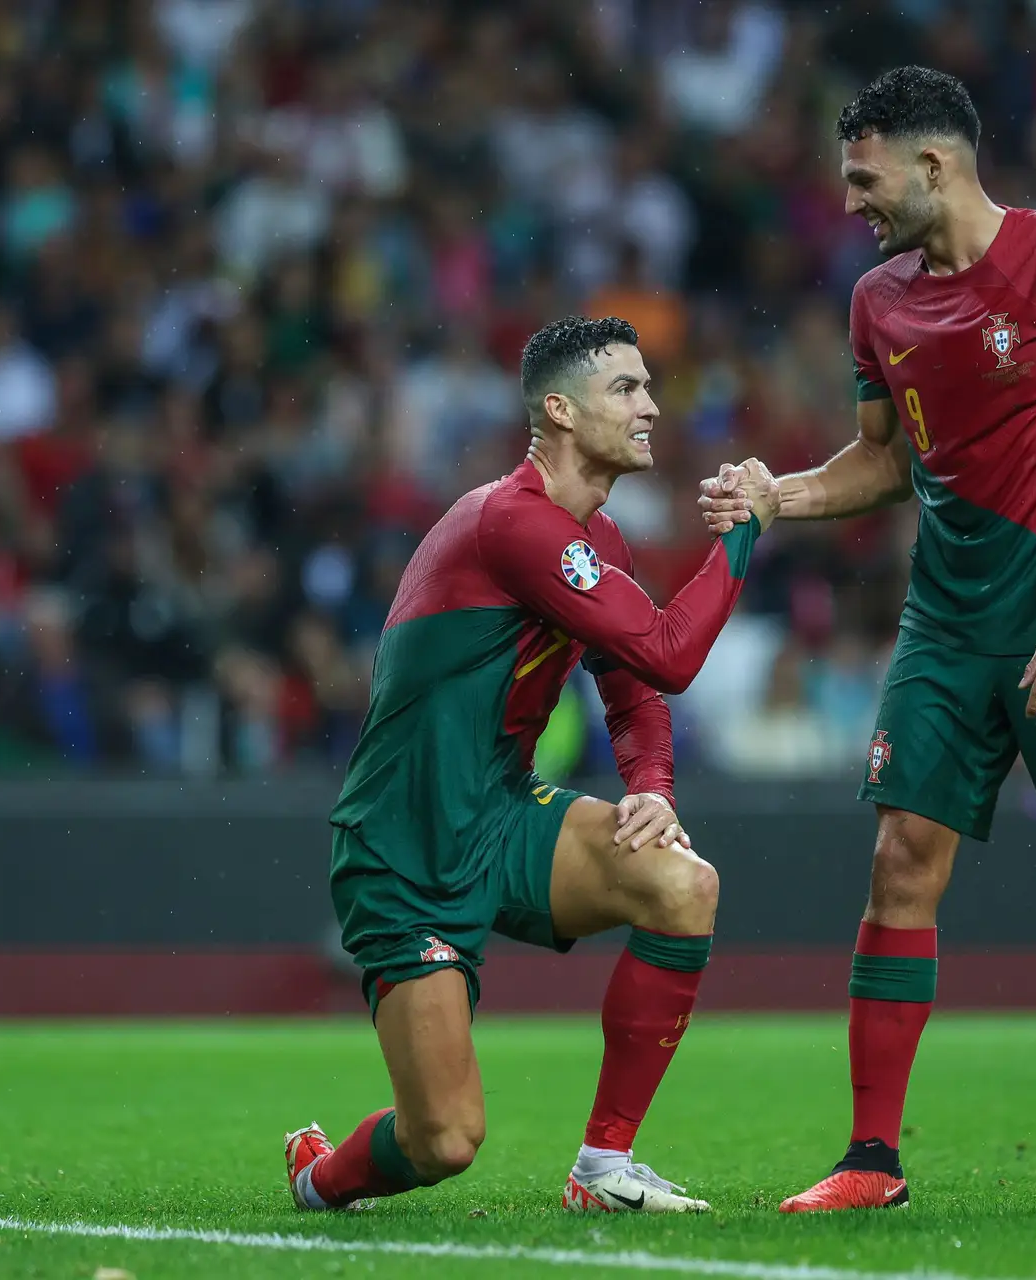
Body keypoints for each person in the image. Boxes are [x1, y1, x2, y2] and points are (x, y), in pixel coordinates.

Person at [701, 67, 1036, 1210]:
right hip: (944, 625)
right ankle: (870, 1160)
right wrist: (777, 496)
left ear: (931, 162)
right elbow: (887, 460)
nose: (851, 202)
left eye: (863, 177)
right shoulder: (877, 302)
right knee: (899, 863)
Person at [285, 316, 780, 1214]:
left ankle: (604, 1169)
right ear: (558, 409)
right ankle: (320, 1175)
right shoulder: (509, 522)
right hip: (406, 845)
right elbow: (671, 653)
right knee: (445, 1141)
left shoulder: (598, 546)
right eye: (625, 389)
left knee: (681, 885)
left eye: (648, 387)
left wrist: (654, 790)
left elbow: (636, 692)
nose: (649, 407)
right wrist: (742, 534)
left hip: (504, 817)